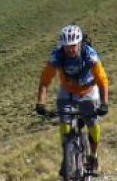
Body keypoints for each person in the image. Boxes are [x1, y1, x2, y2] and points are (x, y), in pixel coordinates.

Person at [35, 24, 110, 173]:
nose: (70, 49)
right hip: (67, 91)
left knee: (92, 123)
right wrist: (40, 103)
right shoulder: (57, 56)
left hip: (89, 90)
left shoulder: (89, 54)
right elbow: (44, 81)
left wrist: (104, 104)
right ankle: (67, 157)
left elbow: (102, 81)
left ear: (80, 43)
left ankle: (93, 157)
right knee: (64, 122)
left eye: (73, 46)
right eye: (67, 46)